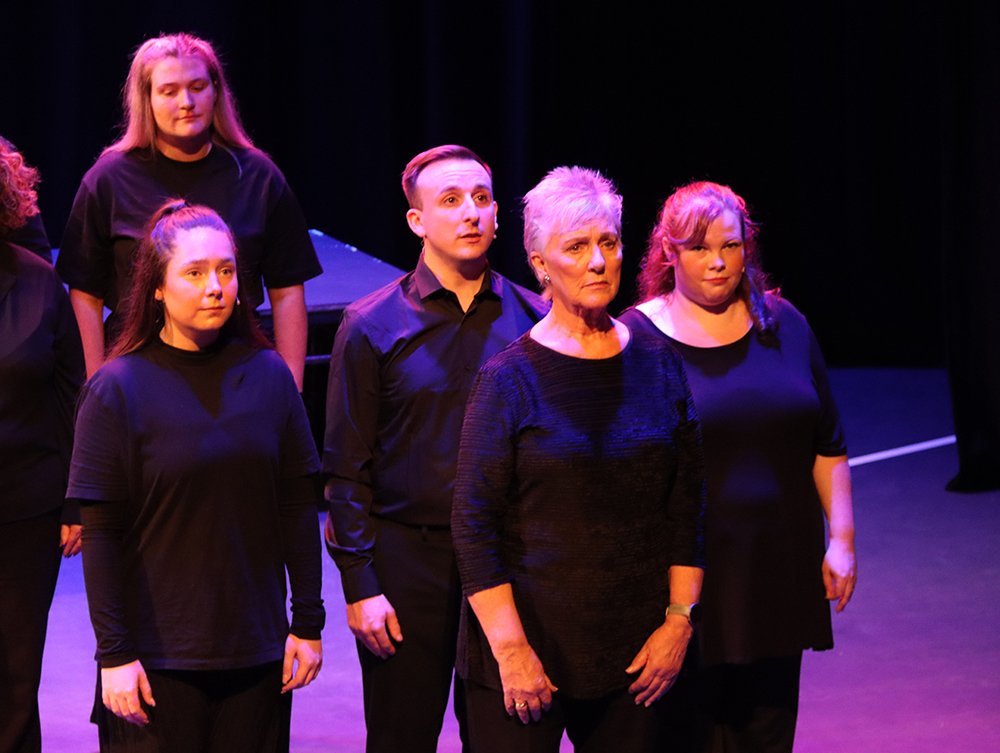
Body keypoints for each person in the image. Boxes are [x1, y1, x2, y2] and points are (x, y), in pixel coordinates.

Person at [451, 166, 706, 752]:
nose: (597, 261)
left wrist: (678, 622)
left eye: (608, 243)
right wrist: (512, 651)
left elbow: (686, 507)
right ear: (540, 264)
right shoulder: (508, 379)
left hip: (639, 657)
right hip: (527, 656)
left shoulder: (658, 363)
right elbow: (473, 525)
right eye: (576, 247)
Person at [67, 201, 324, 752]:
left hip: (256, 652)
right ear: (157, 288)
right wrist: (114, 654)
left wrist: (307, 621)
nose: (215, 287)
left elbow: (297, 505)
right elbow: (102, 534)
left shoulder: (270, 376)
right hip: (154, 660)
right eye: (195, 272)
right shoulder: (116, 389)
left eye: (226, 271)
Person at [619, 180, 857, 753]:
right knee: (688, 735)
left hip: (776, 568)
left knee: (767, 732)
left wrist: (843, 540)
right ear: (669, 251)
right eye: (700, 249)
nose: (719, 262)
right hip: (686, 580)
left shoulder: (783, 323)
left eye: (731, 245)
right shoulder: (638, 339)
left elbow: (827, 442)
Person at [322, 144, 547, 752]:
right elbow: (345, 470)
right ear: (417, 221)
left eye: (481, 198)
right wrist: (360, 585)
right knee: (402, 735)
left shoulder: (536, 321)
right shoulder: (371, 325)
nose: (471, 212)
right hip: (407, 563)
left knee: (510, 737)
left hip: (506, 560)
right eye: (450, 200)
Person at [57, 32, 321, 389]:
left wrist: (291, 386)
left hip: (237, 372)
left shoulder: (257, 176)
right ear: (146, 99)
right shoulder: (108, 179)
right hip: (138, 376)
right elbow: (85, 295)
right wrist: (95, 385)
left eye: (198, 87)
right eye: (169, 91)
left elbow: (287, 289)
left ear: (216, 91)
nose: (186, 102)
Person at [0, 135, 85, 753]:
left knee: (13, 670)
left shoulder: (35, 280)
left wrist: (75, 501)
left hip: (23, 507)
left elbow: (70, 393)